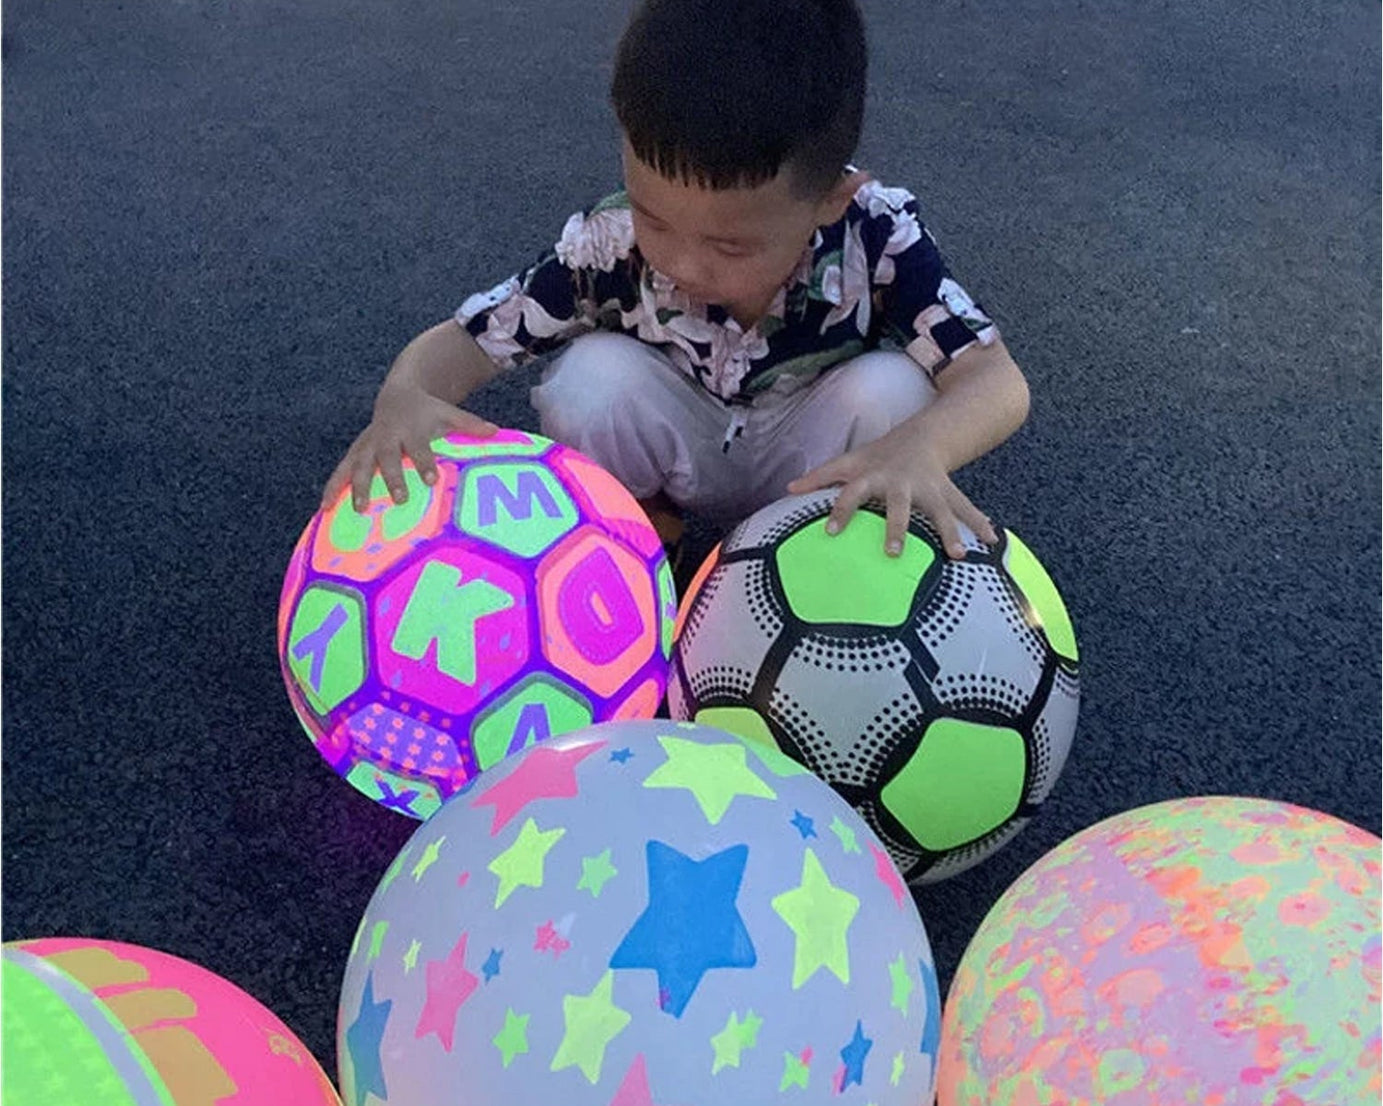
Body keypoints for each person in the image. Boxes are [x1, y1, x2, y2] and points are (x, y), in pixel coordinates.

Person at [322, 0, 1029, 569]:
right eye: (655, 217)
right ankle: (639, 547)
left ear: (829, 202)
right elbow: (466, 342)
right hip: (683, 448)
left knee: (896, 394)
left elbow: (995, 381)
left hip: (819, 464)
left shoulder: (877, 235)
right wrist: (404, 398)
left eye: (730, 244)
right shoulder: (609, 243)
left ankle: (819, 565)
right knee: (589, 379)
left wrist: (919, 449)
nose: (683, 264)